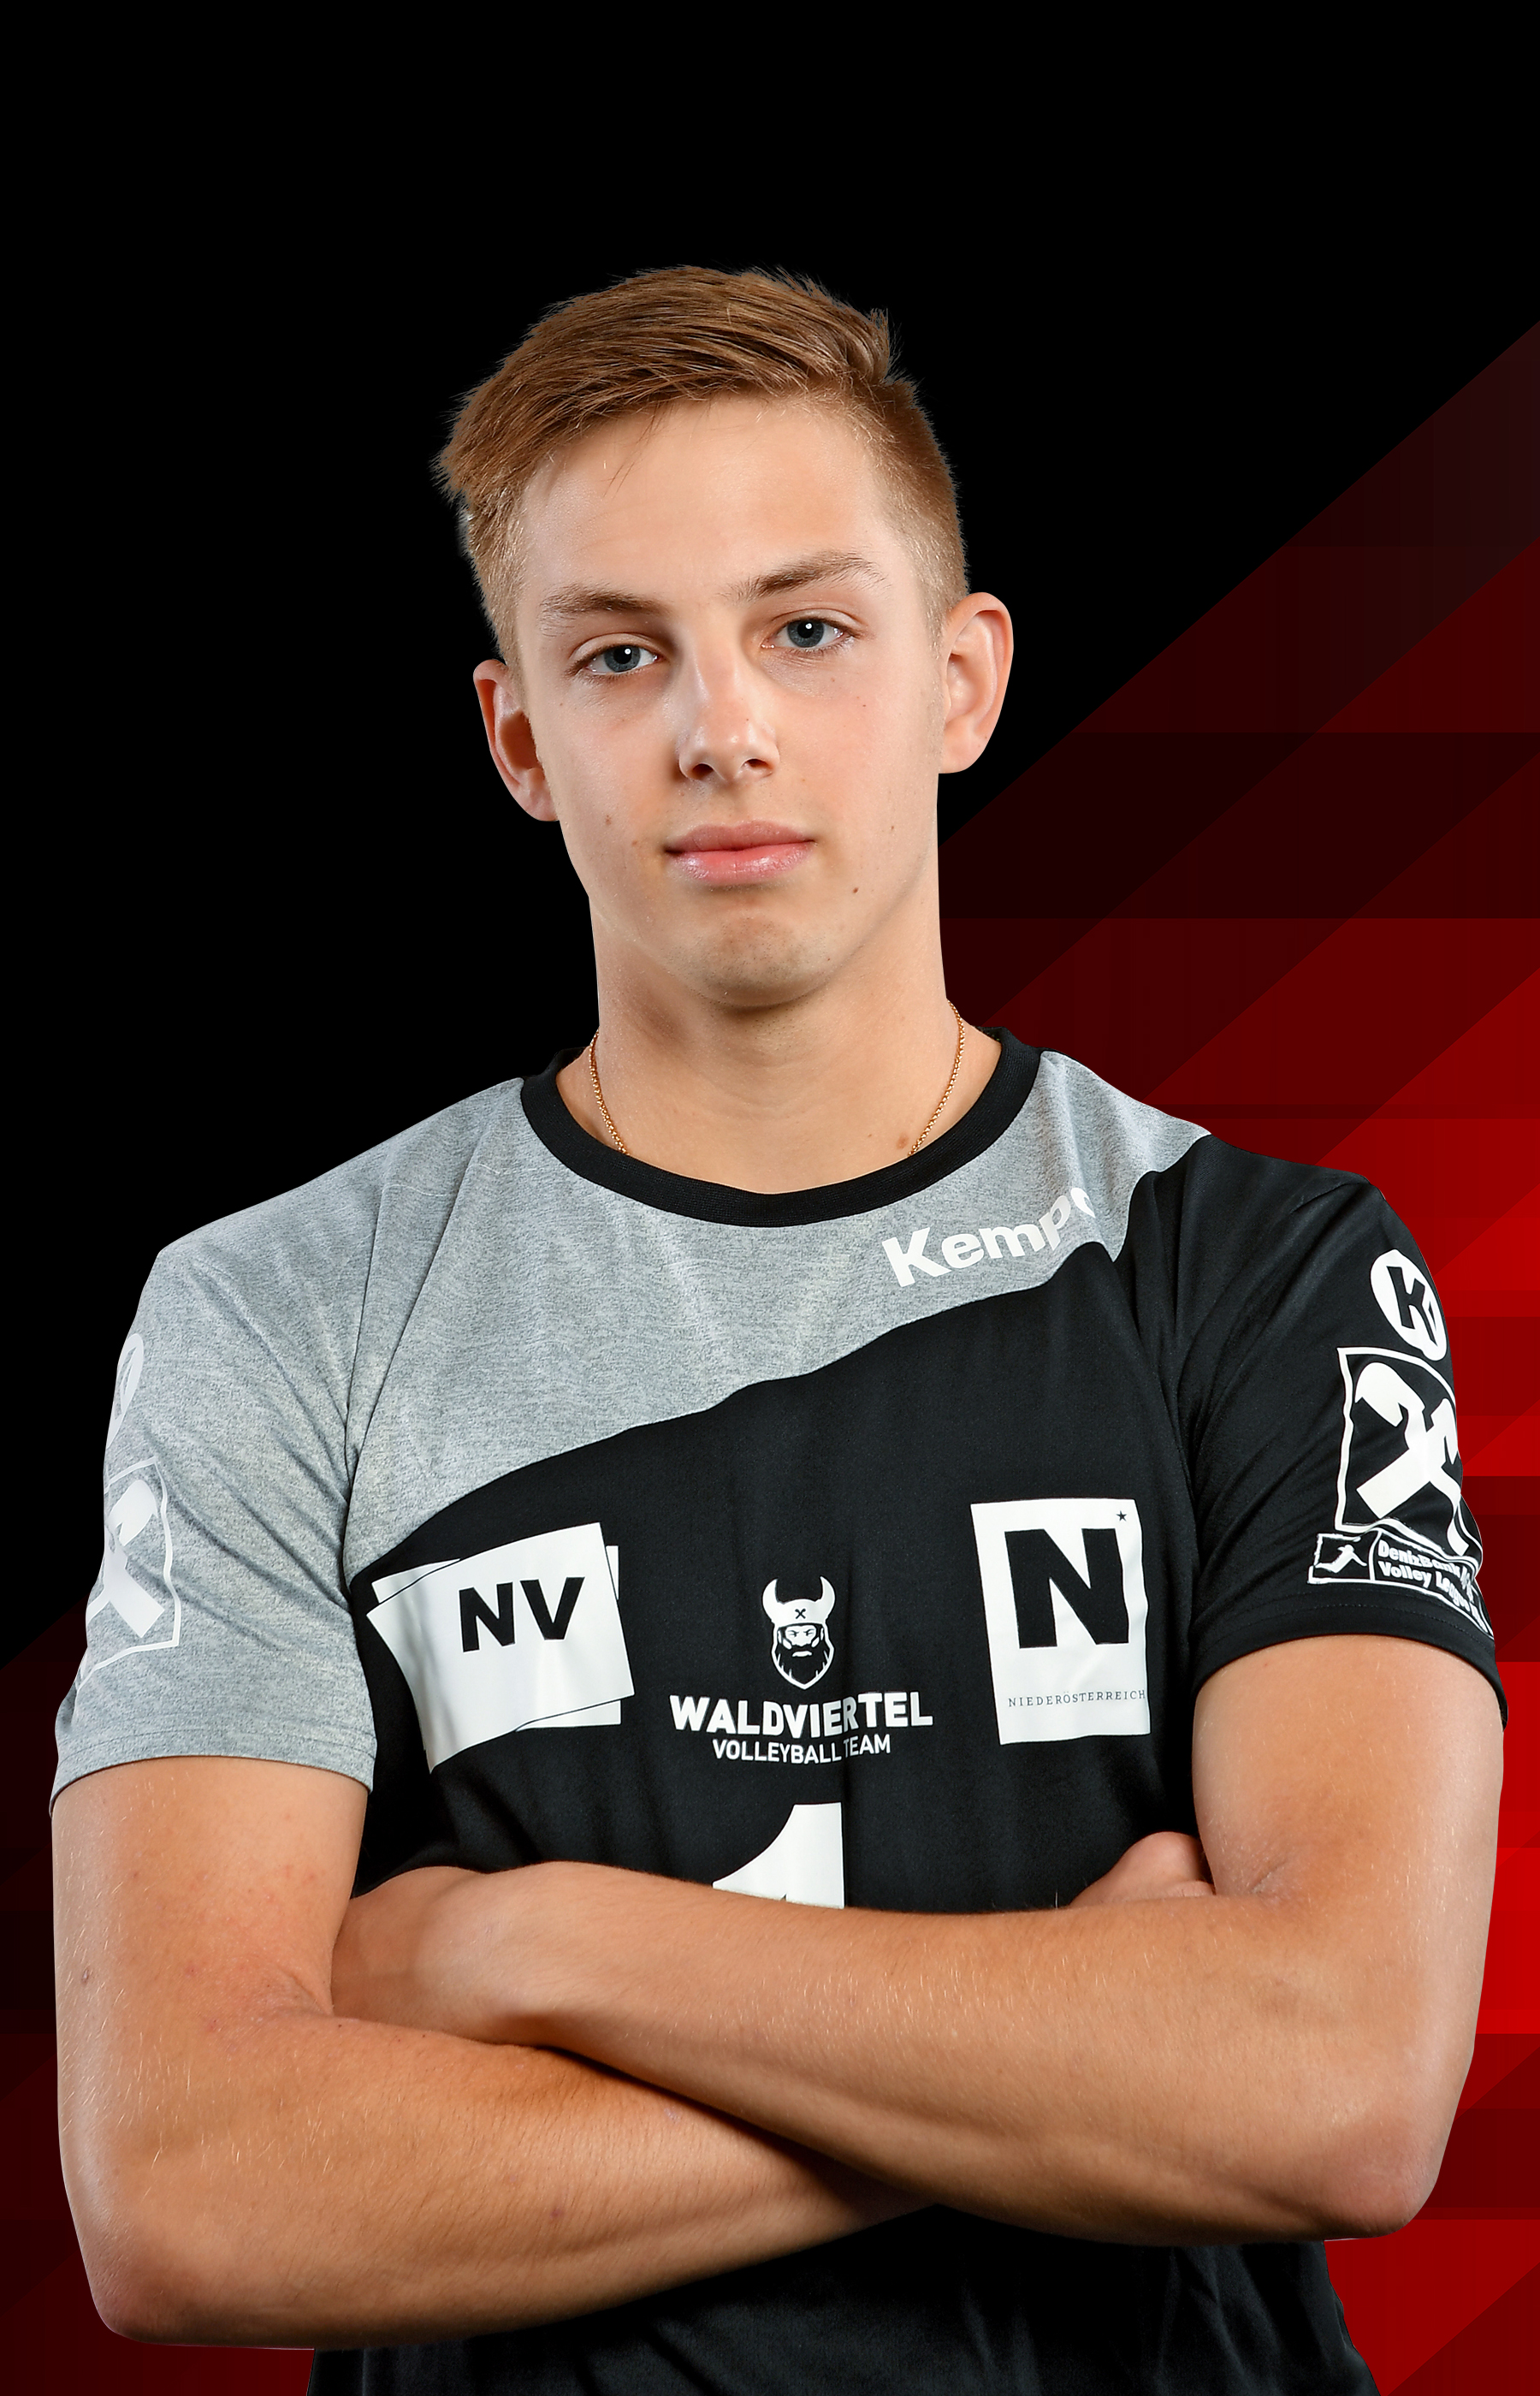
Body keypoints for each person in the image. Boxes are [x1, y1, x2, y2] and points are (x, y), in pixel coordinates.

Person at [53, 268, 1504, 2396]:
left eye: (808, 628)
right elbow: (188, 2188)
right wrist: (1077, 2060)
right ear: (519, 740)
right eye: (620, 652)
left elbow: (1339, 2085)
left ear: (963, 676)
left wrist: (527, 1937)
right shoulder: (277, 1310)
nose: (720, 726)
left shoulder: (1271, 1273)